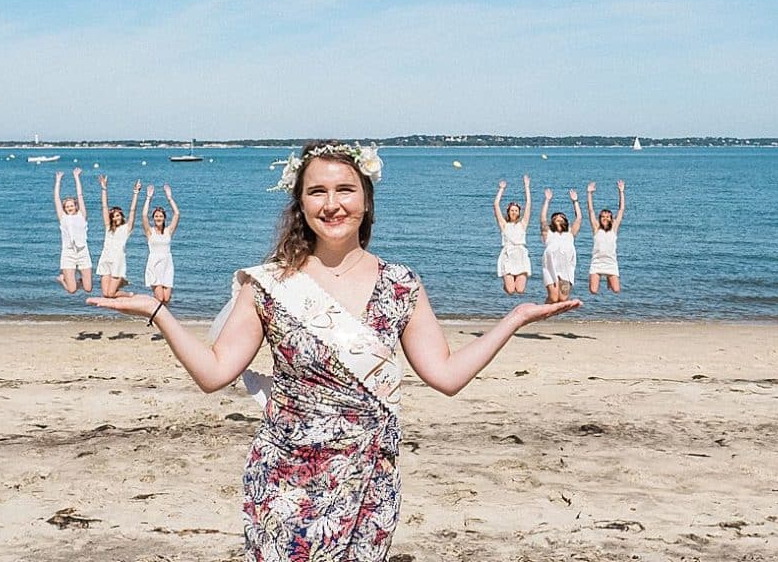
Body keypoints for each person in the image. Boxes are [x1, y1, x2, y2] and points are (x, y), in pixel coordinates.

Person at [86, 141, 581, 559]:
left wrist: (514, 319)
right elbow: (214, 373)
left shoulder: (401, 283)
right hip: (285, 482)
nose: (332, 203)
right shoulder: (270, 285)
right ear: (300, 204)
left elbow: (446, 376)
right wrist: (159, 313)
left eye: (345, 189)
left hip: (370, 480)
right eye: (316, 192)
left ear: (366, 199)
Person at [95, 175, 141, 297]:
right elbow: (104, 207)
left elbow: (133, 210)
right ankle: (122, 282)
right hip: (105, 258)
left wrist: (135, 193)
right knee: (105, 294)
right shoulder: (108, 228)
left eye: (118, 215)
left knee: (111, 294)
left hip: (117, 260)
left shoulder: (127, 228)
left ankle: (129, 294)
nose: (116, 218)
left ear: (121, 216)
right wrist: (104, 189)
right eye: (114, 216)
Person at [540, 186, 582, 304]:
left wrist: (575, 201)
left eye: (561, 218)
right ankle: (542, 313)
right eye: (556, 218)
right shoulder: (548, 233)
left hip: (566, 269)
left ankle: (550, 313)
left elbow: (579, 218)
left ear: (566, 222)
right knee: (553, 298)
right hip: (550, 267)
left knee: (563, 298)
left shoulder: (570, 233)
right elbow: (543, 218)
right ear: (552, 221)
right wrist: (547, 200)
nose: (559, 219)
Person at [54, 168, 92, 294]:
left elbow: (80, 196)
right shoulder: (63, 217)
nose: (69, 208)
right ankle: (62, 279)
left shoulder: (82, 215)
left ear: (75, 206)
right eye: (67, 206)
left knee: (88, 288)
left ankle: (80, 281)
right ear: (65, 208)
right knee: (72, 290)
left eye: (71, 205)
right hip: (68, 253)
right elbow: (56, 199)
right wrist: (58, 180)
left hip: (83, 252)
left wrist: (77, 177)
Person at [494, 174, 533, 295]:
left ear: (519, 212)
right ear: (508, 212)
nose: (514, 212)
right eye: (512, 210)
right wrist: (501, 189)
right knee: (510, 291)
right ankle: (506, 284)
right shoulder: (504, 224)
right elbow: (496, 205)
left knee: (520, 290)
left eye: (516, 210)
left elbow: (528, 204)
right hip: (508, 255)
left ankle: (512, 283)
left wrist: (527, 186)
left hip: (520, 255)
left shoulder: (523, 224)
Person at [141, 183, 179, 303]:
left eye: (161, 216)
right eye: (156, 216)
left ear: (164, 218)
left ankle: (158, 319)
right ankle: (152, 314)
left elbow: (177, 214)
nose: (158, 218)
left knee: (166, 299)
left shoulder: (168, 231)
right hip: (154, 264)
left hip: (167, 264)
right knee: (160, 298)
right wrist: (148, 198)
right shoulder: (150, 232)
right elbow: (143, 215)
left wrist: (169, 198)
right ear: (153, 218)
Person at [587, 179, 626, 295]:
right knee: (593, 291)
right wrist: (589, 193)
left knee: (616, 290)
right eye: (603, 216)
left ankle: (609, 278)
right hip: (597, 262)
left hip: (611, 262)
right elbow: (590, 210)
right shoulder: (596, 228)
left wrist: (621, 192)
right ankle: (606, 277)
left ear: (611, 219)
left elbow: (621, 209)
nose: (605, 218)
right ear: (600, 218)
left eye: (608, 217)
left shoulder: (614, 229)